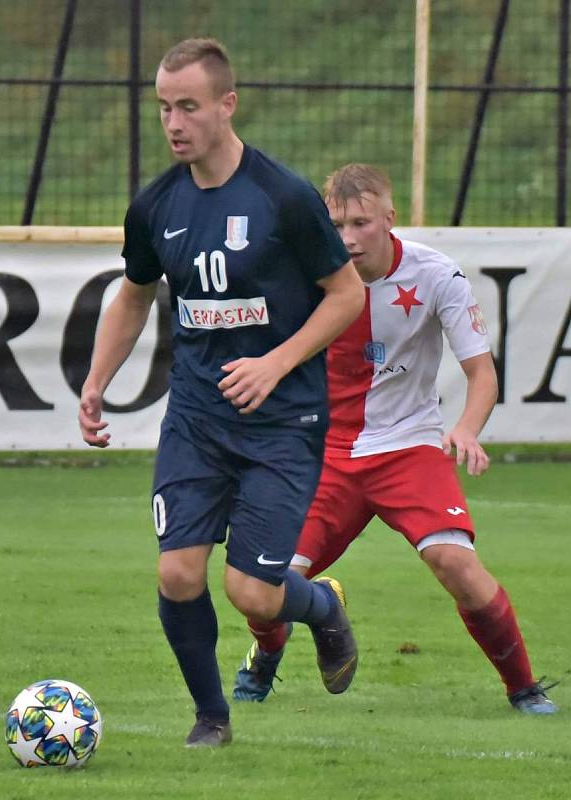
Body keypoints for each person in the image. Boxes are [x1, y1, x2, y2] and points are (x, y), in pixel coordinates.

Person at [78, 39, 365, 748]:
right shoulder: (155, 206)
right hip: (198, 418)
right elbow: (135, 296)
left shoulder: (283, 196)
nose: (174, 123)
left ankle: (320, 605)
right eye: (164, 108)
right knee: (178, 573)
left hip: (282, 423)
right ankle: (212, 716)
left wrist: (276, 361)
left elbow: (346, 295)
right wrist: (94, 384)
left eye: (188, 107)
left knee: (253, 594)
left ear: (226, 105)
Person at [233, 163, 559, 715]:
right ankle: (265, 656)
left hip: (409, 448)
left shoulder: (436, 275)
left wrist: (465, 429)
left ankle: (523, 688)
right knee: (264, 585)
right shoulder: (301, 275)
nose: (347, 238)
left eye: (360, 223)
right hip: (322, 455)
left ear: (389, 218)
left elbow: (482, 374)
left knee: (456, 564)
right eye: (335, 224)